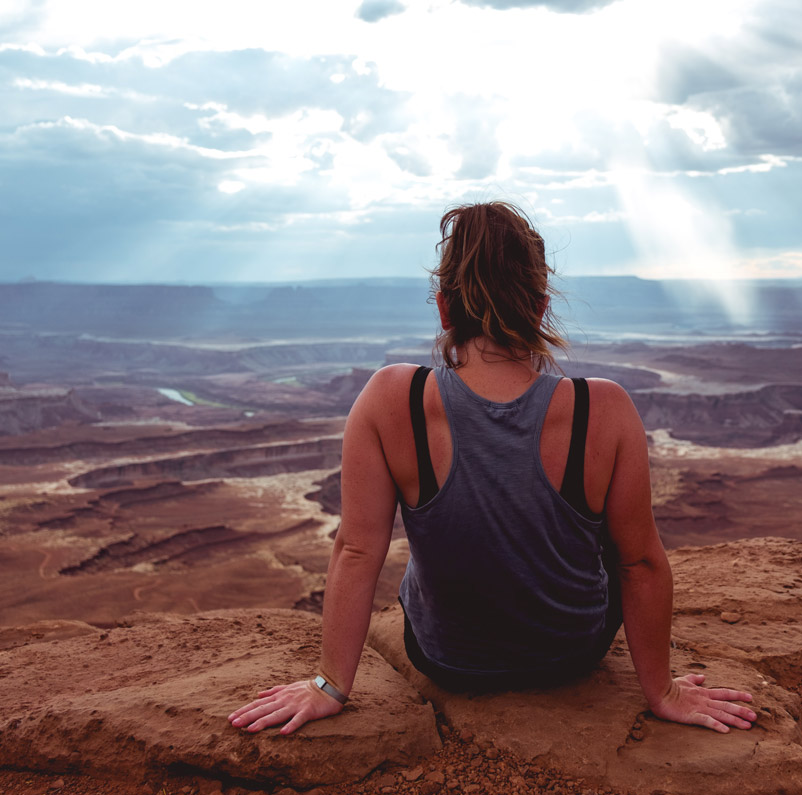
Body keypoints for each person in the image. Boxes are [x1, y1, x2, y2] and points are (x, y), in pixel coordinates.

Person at [229, 201, 756, 735]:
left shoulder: (393, 399)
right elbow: (639, 563)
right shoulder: (604, 408)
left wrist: (329, 685)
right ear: (541, 307)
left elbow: (359, 549)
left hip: (449, 662)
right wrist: (662, 692)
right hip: (571, 657)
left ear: (443, 309)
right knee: (610, 543)